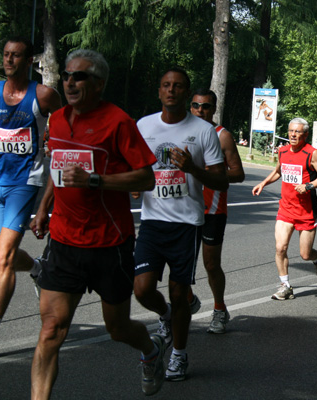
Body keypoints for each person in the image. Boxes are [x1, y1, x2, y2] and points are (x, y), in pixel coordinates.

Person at [29, 49, 164, 398]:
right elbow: (57, 172)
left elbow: (147, 179)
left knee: (118, 328)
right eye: (67, 76)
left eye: (81, 76)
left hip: (109, 244)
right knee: (50, 331)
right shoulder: (56, 119)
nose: (71, 82)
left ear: (100, 84)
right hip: (63, 242)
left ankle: (150, 351)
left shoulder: (118, 122)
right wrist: (44, 207)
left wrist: (95, 181)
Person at [132, 71, 228, 382]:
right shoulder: (144, 126)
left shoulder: (203, 131)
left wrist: (192, 168)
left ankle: (179, 354)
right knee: (142, 289)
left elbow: (220, 179)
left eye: (178, 86)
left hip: (186, 224)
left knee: (179, 291)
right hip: (152, 221)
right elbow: (134, 167)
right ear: (159, 91)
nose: (171, 90)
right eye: (166, 85)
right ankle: (166, 316)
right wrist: (135, 184)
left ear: (186, 94)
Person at [0, 37, 61, 350]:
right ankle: (37, 268)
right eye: (6, 54)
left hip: (26, 182)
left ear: (29, 60)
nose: (9, 60)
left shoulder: (44, 95)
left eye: (16, 55)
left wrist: (49, 199)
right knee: (2, 255)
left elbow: (64, 133)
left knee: (4, 258)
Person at [252, 118, 317, 300]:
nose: (293, 135)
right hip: (286, 208)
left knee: (305, 254)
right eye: (291, 131)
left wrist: (309, 186)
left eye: (297, 132)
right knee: (280, 247)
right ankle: (285, 285)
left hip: (306, 211)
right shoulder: (283, 151)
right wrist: (263, 183)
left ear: (305, 135)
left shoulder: (312, 153)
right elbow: (279, 171)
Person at [190, 88, 245, 333]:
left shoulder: (222, 136)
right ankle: (187, 301)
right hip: (183, 209)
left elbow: (239, 174)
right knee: (179, 263)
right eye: (196, 106)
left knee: (211, 265)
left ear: (214, 109)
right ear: (189, 107)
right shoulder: (181, 131)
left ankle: (219, 309)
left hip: (212, 210)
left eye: (206, 106)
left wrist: (210, 173)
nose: (200, 111)